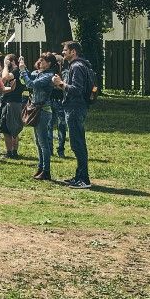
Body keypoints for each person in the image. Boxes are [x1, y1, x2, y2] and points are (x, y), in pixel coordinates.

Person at [60, 40, 94, 188]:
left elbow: (76, 89)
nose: (63, 52)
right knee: (78, 142)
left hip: (75, 108)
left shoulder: (77, 66)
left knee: (77, 143)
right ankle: (79, 176)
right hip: (77, 107)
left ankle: (84, 180)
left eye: (65, 50)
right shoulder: (79, 65)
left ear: (73, 52)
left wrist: (60, 84)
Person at [25, 53, 63, 181]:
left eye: (43, 60)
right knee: (38, 141)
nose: (40, 61)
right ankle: (40, 167)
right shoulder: (41, 73)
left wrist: (21, 70)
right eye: (40, 59)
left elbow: (30, 84)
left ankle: (46, 171)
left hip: (43, 111)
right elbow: (29, 78)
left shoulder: (48, 76)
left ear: (49, 63)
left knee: (43, 142)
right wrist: (23, 70)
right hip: (37, 109)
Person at [0, 53, 27, 160]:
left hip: (11, 103)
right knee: (14, 127)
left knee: (7, 129)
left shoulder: (15, 71)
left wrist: (6, 66)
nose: (4, 63)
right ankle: (14, 152)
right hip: (16, 102)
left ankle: (10, 152)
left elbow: (4, 77)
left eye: (6, 61)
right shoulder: (19, 71)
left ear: (12, 61)